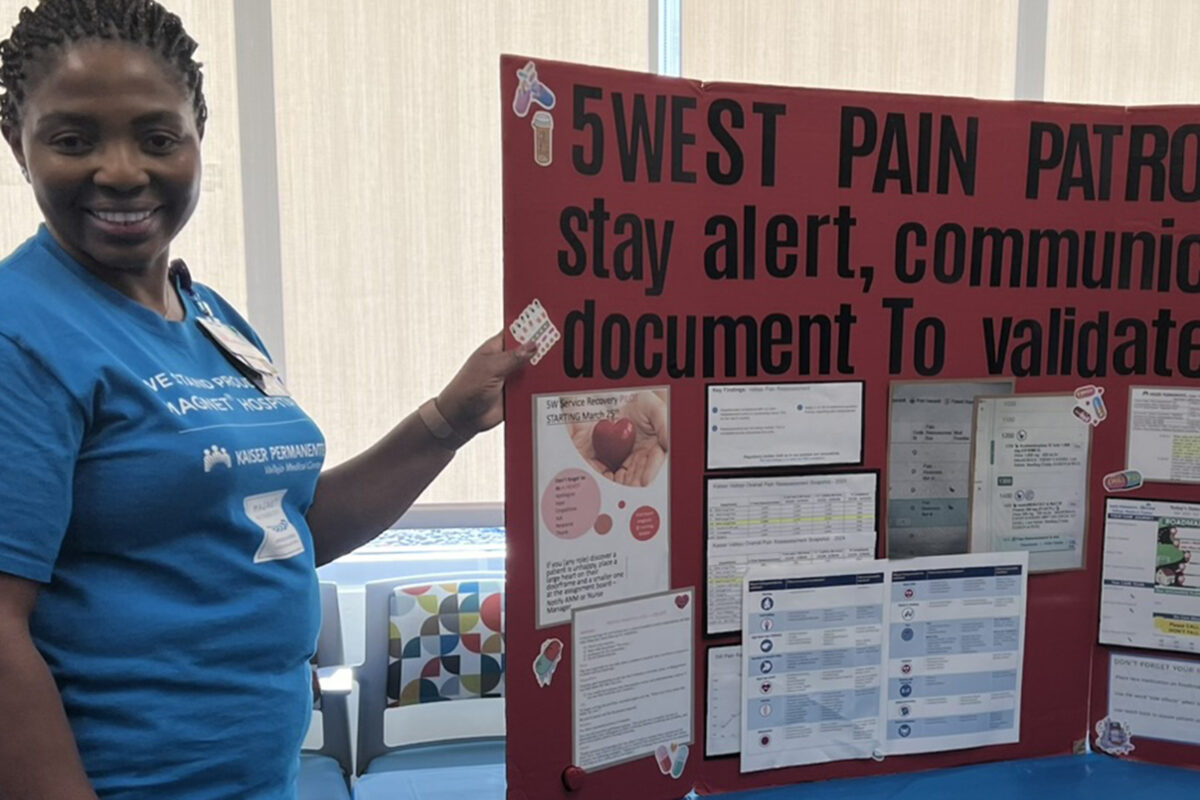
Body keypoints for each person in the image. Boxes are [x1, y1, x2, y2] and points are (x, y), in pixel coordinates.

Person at [0, 1, 531, 798]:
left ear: (196, 138)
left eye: (157, 136)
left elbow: (288, 530)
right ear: (19, 146)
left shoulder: (209, 317)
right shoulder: (22, 333)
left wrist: (448, 422)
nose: (119, 170)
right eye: (74, 139)